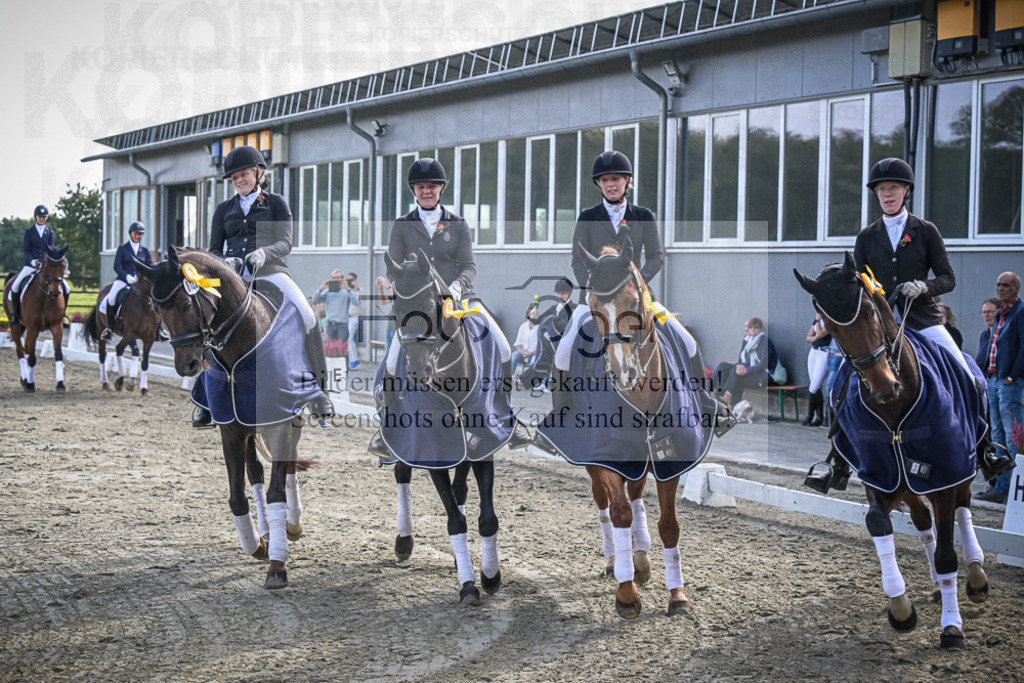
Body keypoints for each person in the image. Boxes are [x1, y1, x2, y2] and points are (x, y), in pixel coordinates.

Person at [370, 157, 530, 455]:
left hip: (459, 297)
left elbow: (469, 265)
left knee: (503, 346)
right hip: (419, 302)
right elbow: (394, 267)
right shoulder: (402, 225)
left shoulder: (457, 224)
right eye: (421, 187)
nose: (426, 191)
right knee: (392, 361)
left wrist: (456, 286)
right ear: (413, 191)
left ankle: (507, 418)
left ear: (441, 189)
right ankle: (387, 428)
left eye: (432, 186)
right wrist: (405, 287)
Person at [193, 145, 332, 427]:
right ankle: (205, 398)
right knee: (203, 317)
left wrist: (265, 253)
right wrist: (224, 261)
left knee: (308, 316)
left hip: (270, 271)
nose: (238, 180)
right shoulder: (223, 209)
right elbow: (214, 248)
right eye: (234, 178)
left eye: (243, 175)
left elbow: (286, 242)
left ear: (258, 173)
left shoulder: (276, 203)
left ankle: (319, 392)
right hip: (233, 276)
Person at [556, 150, 664, 373]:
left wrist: (636, 282)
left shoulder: (643, 215)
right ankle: (560, 397)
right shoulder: (587, 217)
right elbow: (577, 260)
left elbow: (656, 256)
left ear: (627, 180)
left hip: (636, 298)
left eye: (615, 178)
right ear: (599, 184)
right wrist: (591, 288)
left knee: (684, 340)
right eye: (604, 180)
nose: (610, 184)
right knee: (562, 354)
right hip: (596, 298)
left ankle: (696, 392)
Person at [975, 273, 1024, 504]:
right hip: (994, 382)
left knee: (1013, 438)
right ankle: (1001, 488)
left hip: (1008, 383)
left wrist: (1012, 376)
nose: (1000, 288)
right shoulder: (1000, 314)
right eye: (998, 285)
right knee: (996, 436)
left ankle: (1013, 490)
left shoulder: (1020, 312)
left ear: (1016, 289)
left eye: (1006, 285)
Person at [100, 221, 153, 341]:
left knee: (154, 298)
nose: (137, 236)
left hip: (140, 281)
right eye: (135, 233)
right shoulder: (123, 248)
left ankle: (159, 328)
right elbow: (116, 267)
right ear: (130, 233)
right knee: (111, 298)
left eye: (140, 234)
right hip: (124, 280)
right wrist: (126, 276)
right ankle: (109, 328)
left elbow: (150, 265)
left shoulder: (144, 250)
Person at [713, 318, 780, 408]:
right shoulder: (749, 342)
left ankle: (726, 398)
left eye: (756, 327)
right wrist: (739, 366)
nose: (753, 329)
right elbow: (744, 362)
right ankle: (717, 395)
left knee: (737, 376)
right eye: (751, 327)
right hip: (751, 373)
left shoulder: (765, 342)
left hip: (762, 376)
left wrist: (746, 370)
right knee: (724, 367)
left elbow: (764, 364)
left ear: (761, 329)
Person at [7, 205, 55, 326]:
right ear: (35, 217)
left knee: (66, 288)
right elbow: (26, 249)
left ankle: (61, 315)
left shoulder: (50, 233)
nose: (42, 219)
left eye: (44, 217)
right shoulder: (29, 232)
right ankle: (15, 314)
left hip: (45, 267)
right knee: (15, 287)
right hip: (30, 266)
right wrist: (31, 260)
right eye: (40, 216)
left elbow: (51, 250)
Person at [974, 297, 1002, 497]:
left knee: (997, 435)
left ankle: (999, 483)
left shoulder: (1002, 333)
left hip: (999, 385)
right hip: (985, 389)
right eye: (984, 312)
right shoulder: (985, 335)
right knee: (987, 434)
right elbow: (980, 360)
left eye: (990, 311)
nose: (986, 315)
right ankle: (992, 481)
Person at [312, 270, 358, 343]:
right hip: (330, 324)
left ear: (342, 278)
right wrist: (321, 288)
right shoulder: (327, 291)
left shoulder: (346, 291)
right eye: (334, 278)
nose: (336, 279)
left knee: (342, 348)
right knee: (330, 348)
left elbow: (356, 302)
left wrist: (347, 288)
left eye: (338, 277)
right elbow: (315, 300)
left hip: (342, 324)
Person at [802, 312, 830, 427]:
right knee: (815, 386)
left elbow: (820, 333)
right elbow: (808, 338)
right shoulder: (817, 320)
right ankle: (819, 417)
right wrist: (816, 337)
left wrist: (818, 321)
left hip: (824, 352)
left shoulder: (829, 320)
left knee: (814, 385)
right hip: (813, 351)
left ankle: (809, 415)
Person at [510, 300, 540, 386]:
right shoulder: (523, 326)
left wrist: (531, 353)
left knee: (534, 362)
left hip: (534, 354)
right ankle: (508, 377)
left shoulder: (539, 327)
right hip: (523, 353)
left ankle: (527, 380)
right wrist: (522, 352)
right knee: (514, 356)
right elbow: (518, 343)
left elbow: (540, 345)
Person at [346, 272, 364, 370]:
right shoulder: (346, 290)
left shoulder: (359, 290)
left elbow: (361, 300)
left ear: (355, 280)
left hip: (354, 317)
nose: (349, 281)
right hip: (346, 317)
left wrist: (356, 288)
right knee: (348, 339)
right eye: (348, 279)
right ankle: (351, 360)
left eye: (351, 279)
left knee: (349, 339)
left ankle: (355, 360)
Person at [375, 275, 396, 357]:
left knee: (394, 354)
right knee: (387, 352)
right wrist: (380, 288)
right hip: (390, 326)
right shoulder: (395, 288)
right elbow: (383, 301)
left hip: (397, 327)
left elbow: (397, 298)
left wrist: (387, 286)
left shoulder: (403, 289)